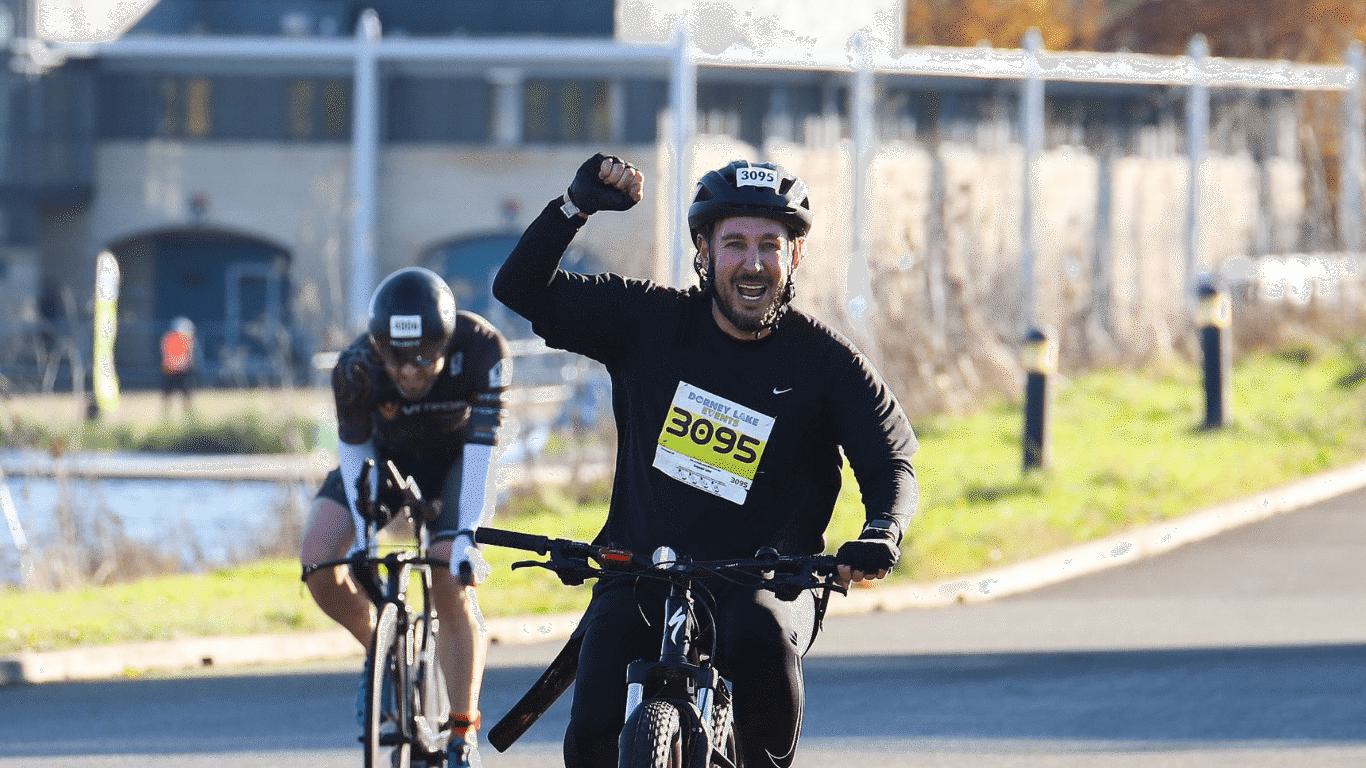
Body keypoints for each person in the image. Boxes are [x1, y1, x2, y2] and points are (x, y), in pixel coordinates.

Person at [492, 155, 919, 767]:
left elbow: (892, 462)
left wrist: (881, 532)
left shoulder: (825, 364)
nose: (752, 263)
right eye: (735, 244)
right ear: (704, 249)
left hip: (764, 580)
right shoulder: (650, 323)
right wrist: (574, 208)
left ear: (793, 257)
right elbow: (520, 289)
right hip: (641, 567)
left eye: (769, 245)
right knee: (595, 715)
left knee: (759, 634)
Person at [299, 266, 510, 767]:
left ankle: (462, 731)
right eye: (397, 363)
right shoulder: (356, 367)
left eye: (422, 361)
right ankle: (380, 650)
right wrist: (366, 540)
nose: (410, 373)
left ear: (444, 344)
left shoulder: (481, 347)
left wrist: (464, 537)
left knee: (446, 572)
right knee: (319, 561)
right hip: (386, 460)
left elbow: (483, 453)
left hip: (459, 462)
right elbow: (355, 456)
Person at [160, 316, 197, 416]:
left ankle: (167, 415)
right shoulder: (185, 339)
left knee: (172, 395)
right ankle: (188, 415)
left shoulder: (168, 338)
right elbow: (189, 357)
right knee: (184, 394)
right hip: (178, 371)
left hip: (173, 371)